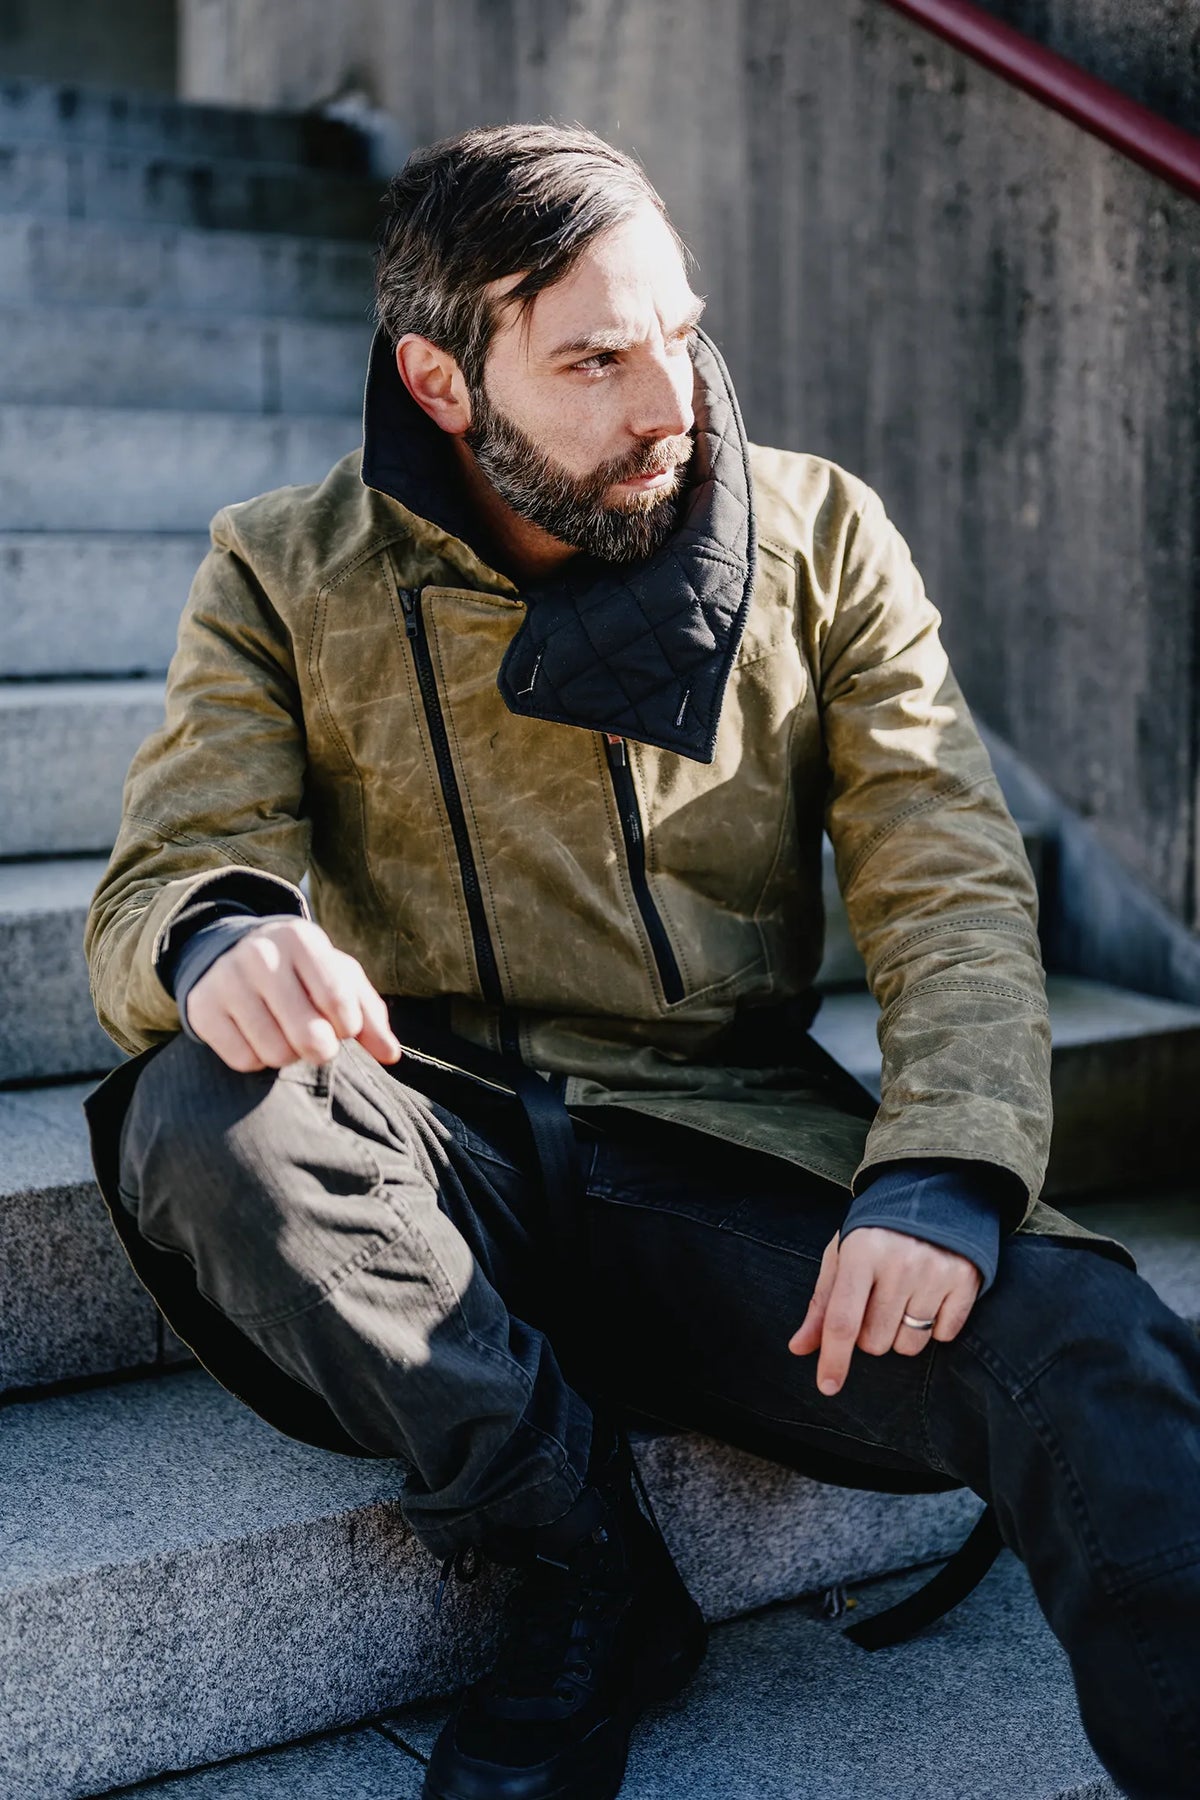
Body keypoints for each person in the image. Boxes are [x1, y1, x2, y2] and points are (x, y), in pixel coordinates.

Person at [83, 124, 1200, 1800]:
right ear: (442, 383)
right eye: (595, 360)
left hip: (722, 1148)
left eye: (678, 332)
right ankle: (582, 1569)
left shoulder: (822, 533)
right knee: (202, 1111)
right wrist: (223, 934)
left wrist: (947, 1166)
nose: (669, 400)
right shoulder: (284, 564)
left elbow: (949, 878)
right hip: (432, 1140)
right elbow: (167, 865)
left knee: (1092, 1339)